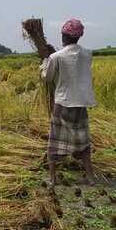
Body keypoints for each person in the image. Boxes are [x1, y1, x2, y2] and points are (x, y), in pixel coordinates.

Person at [40, 19, 97, 189]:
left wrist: (44, 63)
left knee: (55, 142)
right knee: (83, 142)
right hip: (80, 104)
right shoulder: (88, 54)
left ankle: (52, 178)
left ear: (63, 36)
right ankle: (90, 177)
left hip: (63, 103)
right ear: (79, 37)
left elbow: (47, 77)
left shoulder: (55, 57)